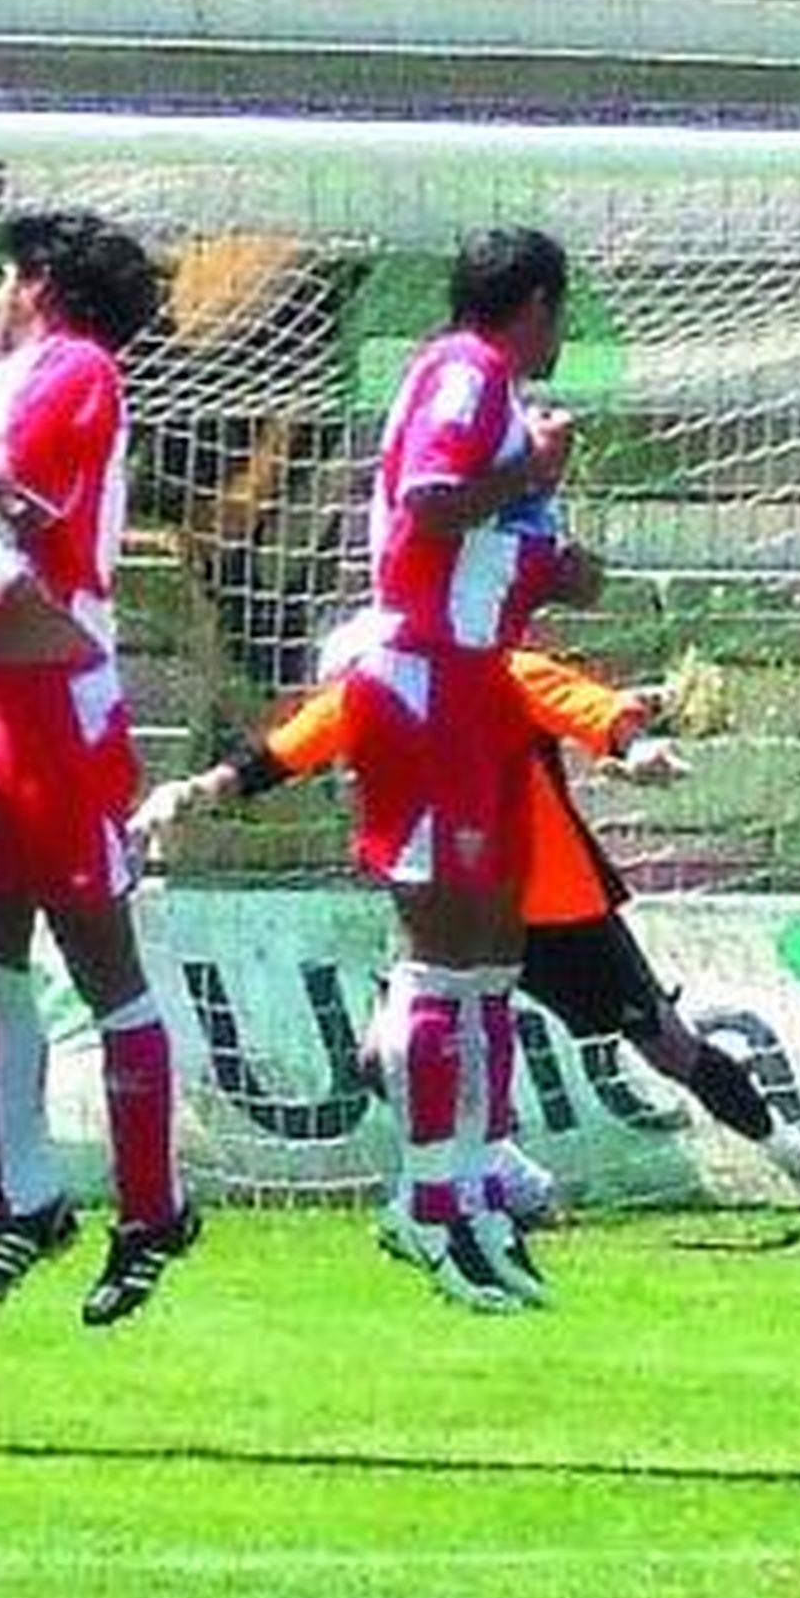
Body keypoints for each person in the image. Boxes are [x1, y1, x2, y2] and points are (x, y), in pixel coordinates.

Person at [134, 646, 800, 1290]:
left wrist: (637, 748)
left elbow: (593, 711)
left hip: (555, 906)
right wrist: (190, 792)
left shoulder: (508, 670)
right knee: (382, 1058)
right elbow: (274, 758)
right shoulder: (370, 690)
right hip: (449, 901)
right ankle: (509, 1180)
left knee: (670, 1046)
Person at [0, 208, 198, 1327]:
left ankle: (153, 1209)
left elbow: (25, 501)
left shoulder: (78, 370)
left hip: (55, 705)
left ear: (38, 283)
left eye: (3, 279)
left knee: (99, 958)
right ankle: (26, 1199)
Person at [334, 226, 603, 1311]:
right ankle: (427, 1200)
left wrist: (555, 566)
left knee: (491, 953)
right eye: (560, 310)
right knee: (444, 958)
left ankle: (480, 1187)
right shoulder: (465, 372)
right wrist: (528, 468)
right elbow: (428, 501)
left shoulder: (491, 387)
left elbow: (474, 546)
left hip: (474, 684)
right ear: (535, 304)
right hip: (425, 686)